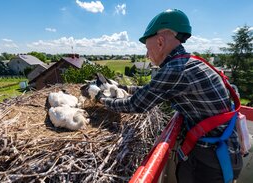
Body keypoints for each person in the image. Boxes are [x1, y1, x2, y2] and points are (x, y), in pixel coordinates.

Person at [96, 9, 243, 183]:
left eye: (146, 47)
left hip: (213, 160)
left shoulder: (175, 69)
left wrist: (101, 99)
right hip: (221, 151)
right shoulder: (190, 61)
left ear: (159, 42)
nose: (146, 54)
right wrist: (121, 87)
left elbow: (136, 105)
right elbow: (152, 89)